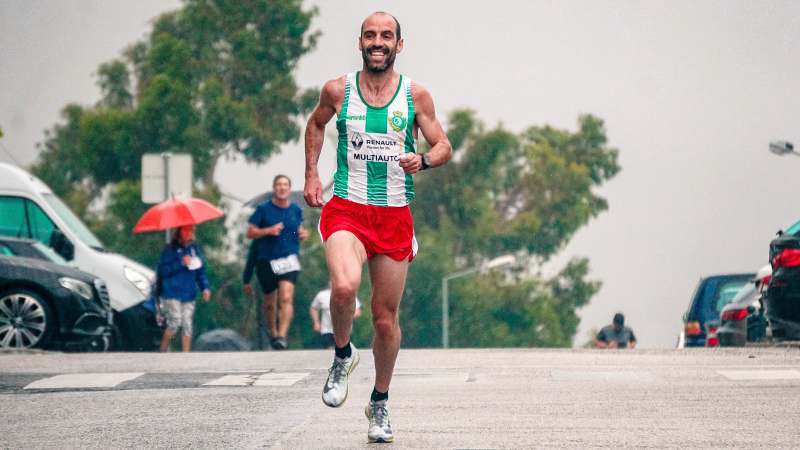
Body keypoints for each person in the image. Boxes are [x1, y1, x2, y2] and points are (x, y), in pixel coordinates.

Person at [304, 11, 452, 443]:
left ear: (398, 45)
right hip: (347, 208)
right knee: (345, 288)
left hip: (393, 214)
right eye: (371, 35)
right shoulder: (338, 90)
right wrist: (312, 174)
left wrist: (422, 160)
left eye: (386, 36)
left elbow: (443, 145)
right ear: (360, 42)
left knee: (385, 319)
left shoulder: (415, 96)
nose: (378, 42)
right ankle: (341, 355)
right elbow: (315, 124)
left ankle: (380, 403)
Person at [246, 175, 309, 350]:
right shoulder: (263, 209)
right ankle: (273, 333)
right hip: (267, 260)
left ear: (289, 189)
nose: (282, 188)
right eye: (279, 185)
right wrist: (268, 230)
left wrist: (303, 234)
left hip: (289, 259)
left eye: (285, 185)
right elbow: (250, 233)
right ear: (274, 188)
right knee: (269, 302)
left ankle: (282, 335)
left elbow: (299, 230)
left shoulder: (296, 210)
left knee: (286, 297)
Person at [157, 225, 211, 352]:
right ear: (179, 232)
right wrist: (181, 263)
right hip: (171, 293)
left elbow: (200, 272)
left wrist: (205, 288)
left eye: (191, 230)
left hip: (189, 293)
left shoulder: (194, 250)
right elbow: (163, 271)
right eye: (186, 230)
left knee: (187, 323)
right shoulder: (169, 250)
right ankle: (162, 350)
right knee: (175, 322)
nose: (189, 233)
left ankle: (186, 355)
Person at [310, 284, 362, 349]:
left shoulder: (349, 294)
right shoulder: (321, 295)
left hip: (344, 330)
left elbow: (357, 311)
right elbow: (314, 308)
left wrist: (347, 317)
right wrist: (316, 322)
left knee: (343, 351)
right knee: (329, 351)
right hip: (327, 330)